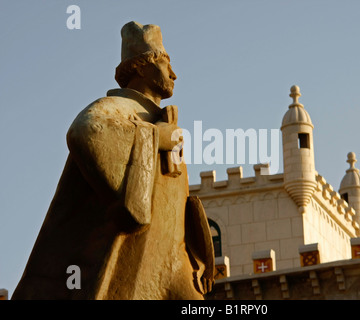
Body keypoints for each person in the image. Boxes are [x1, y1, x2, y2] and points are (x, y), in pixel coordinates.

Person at [12, 21, 214, 300]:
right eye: (166, 64)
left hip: (173, 267)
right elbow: (86, 130)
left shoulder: (161, 121)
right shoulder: (118, 109)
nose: (174, 74)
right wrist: (157, 138)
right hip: (130, 267)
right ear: (142, 67)